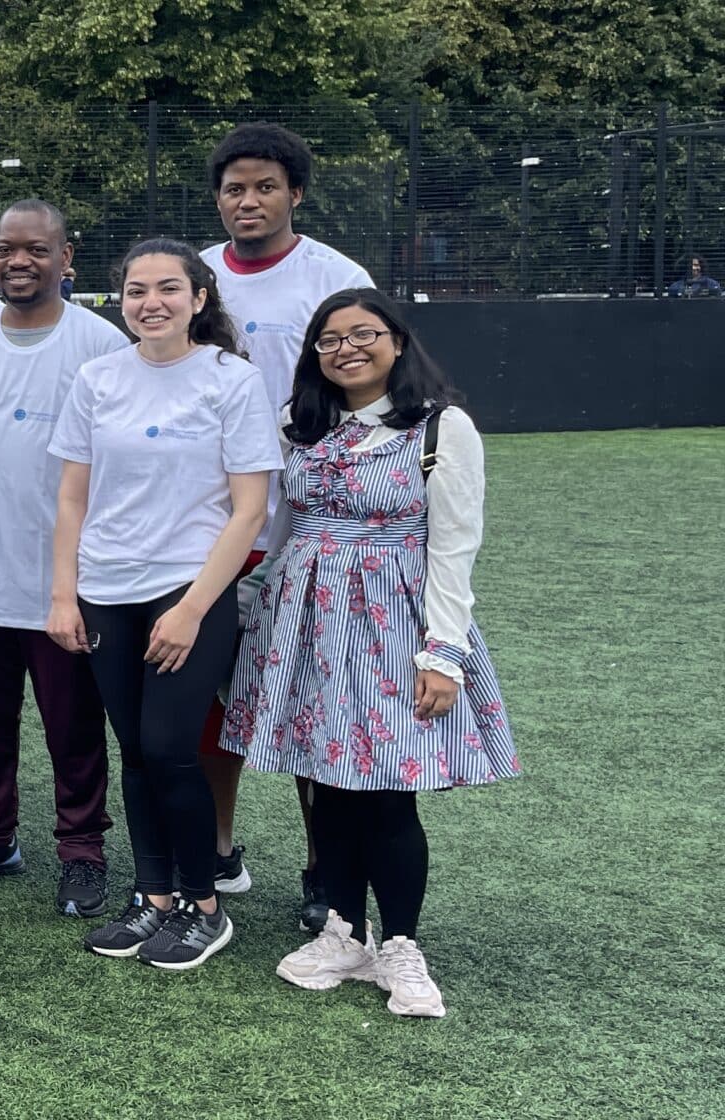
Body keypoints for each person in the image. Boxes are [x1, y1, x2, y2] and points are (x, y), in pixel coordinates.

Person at [227, 290, 519, 1018]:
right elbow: (284, 529)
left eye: (364, 334)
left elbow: (454, 547)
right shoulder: (300, 423)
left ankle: (402, 945)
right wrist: (249, 604)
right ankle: (344, 932)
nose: (346, 348)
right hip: (305, 624)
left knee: (388, 791)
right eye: (330, 340)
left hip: (393, 624)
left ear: (397, 341)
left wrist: (442, 653)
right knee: (326, 783)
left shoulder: (439, 428)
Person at [46, 240, 279, 971]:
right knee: (137, 751)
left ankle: (203, 907)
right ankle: (152, 898)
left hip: (190, 589)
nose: (152, 302)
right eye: (137, 289)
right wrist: (64, 596)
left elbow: (249, 510)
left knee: (174, 749)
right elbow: (73, 497)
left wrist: (190, 610)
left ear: (199, 298)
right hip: (105, 591)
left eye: (169, 288)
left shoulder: (231, 381)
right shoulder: (97, 378)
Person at [0, 200, 129, 918]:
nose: (20, 262)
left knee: (74, 727)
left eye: (36, 250)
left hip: (65, 583)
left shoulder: (102, 346)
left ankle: (82, 852)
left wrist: (77, 581)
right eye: (7, 249)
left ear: (65, 257)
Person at [199, 121, 376, 930]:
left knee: (313, 707)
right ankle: (218, 850)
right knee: (208, 707)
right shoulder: (194, 276)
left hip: (309, 533)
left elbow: (371, 384)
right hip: (207, 529)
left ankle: (321, 868)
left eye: (265, 186)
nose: (249, 200)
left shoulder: (335, 277)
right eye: (235, 187)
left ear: (295, 193)